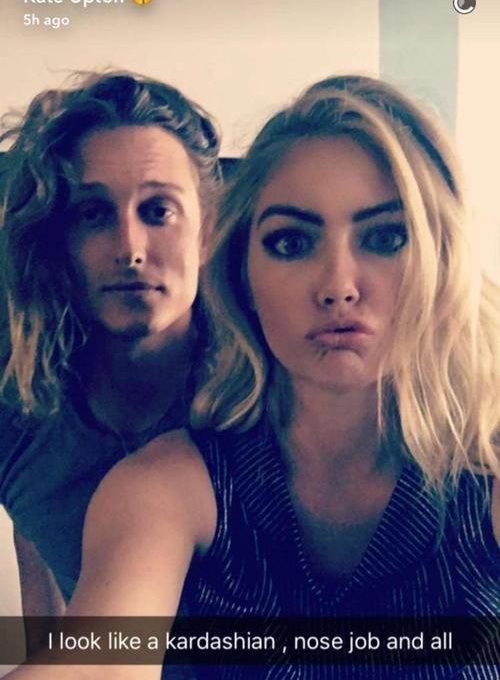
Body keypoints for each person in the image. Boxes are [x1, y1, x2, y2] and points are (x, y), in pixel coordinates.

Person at [6, 75, 499, 679]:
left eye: (386, 237)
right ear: (243, 270)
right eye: (291, 242)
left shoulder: (485, 474)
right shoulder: (162, 485)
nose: (339, 286)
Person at [0, 71, 220, 630]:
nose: (130, 248)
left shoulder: (264, 391)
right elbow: (37, 542)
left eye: (158, 210)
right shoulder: (21, 403)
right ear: (59, 241)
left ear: (207, 231)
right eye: (93, 214)